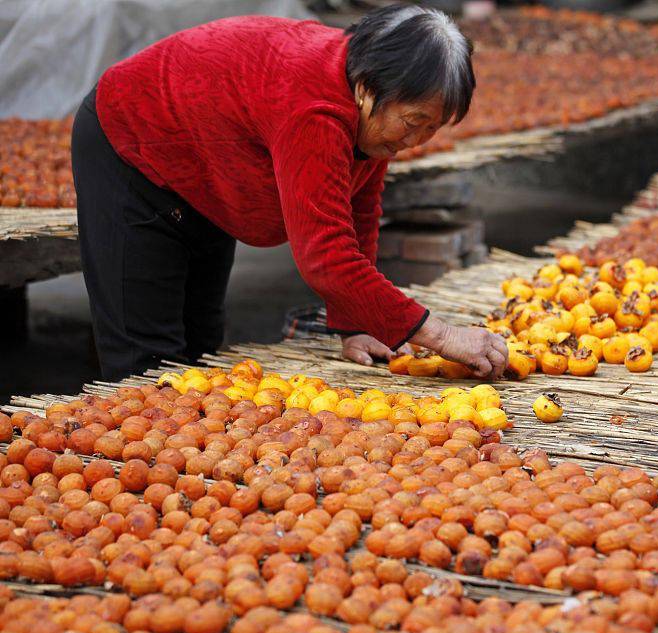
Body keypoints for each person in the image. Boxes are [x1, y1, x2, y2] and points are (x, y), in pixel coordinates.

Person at [71, 5, 508, 382]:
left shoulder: (369, 109)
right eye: (413, 123)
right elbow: (326, 259)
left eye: (430, 129)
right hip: (136, 144)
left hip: (207, 171)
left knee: (201, 345)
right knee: (150, 363)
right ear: (367, 89)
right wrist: (441, 335)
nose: (416, 141)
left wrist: (358, 323)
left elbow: (359, 214)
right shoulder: (314, 108)